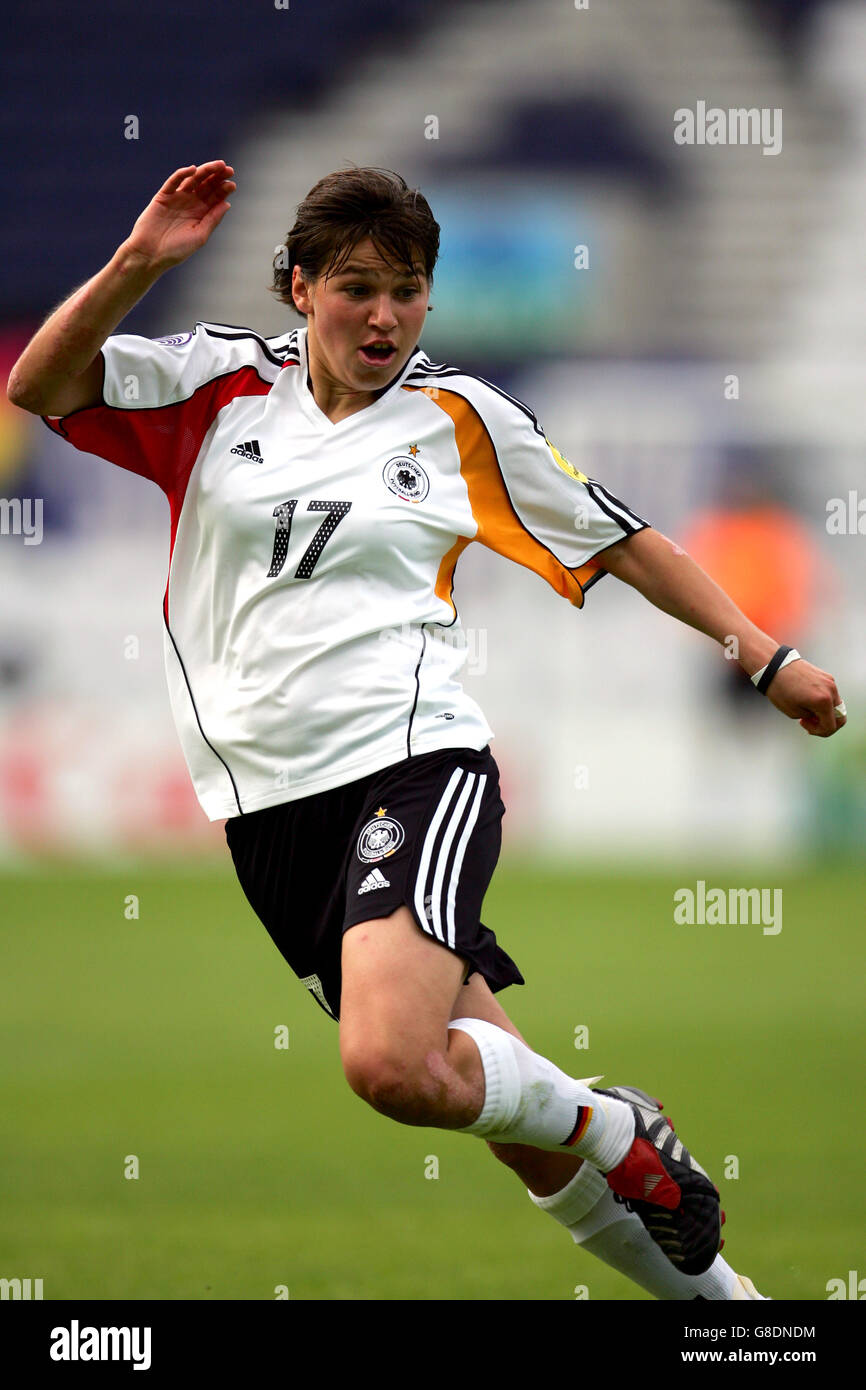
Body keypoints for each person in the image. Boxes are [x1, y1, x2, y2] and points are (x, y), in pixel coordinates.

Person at [8, 162, 846, 1301]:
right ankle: (737, 1321)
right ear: (298, 287)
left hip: (410, 767)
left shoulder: (459, 420)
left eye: (407, 289)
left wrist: (765, 655)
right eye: (356, 286)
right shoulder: (213, 385)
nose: (385, 314)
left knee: (389, 1065)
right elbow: (41, 384)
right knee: (504, 1117)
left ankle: (613, 1123)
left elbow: (622, 538)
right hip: (263, 811)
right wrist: (139, 265)